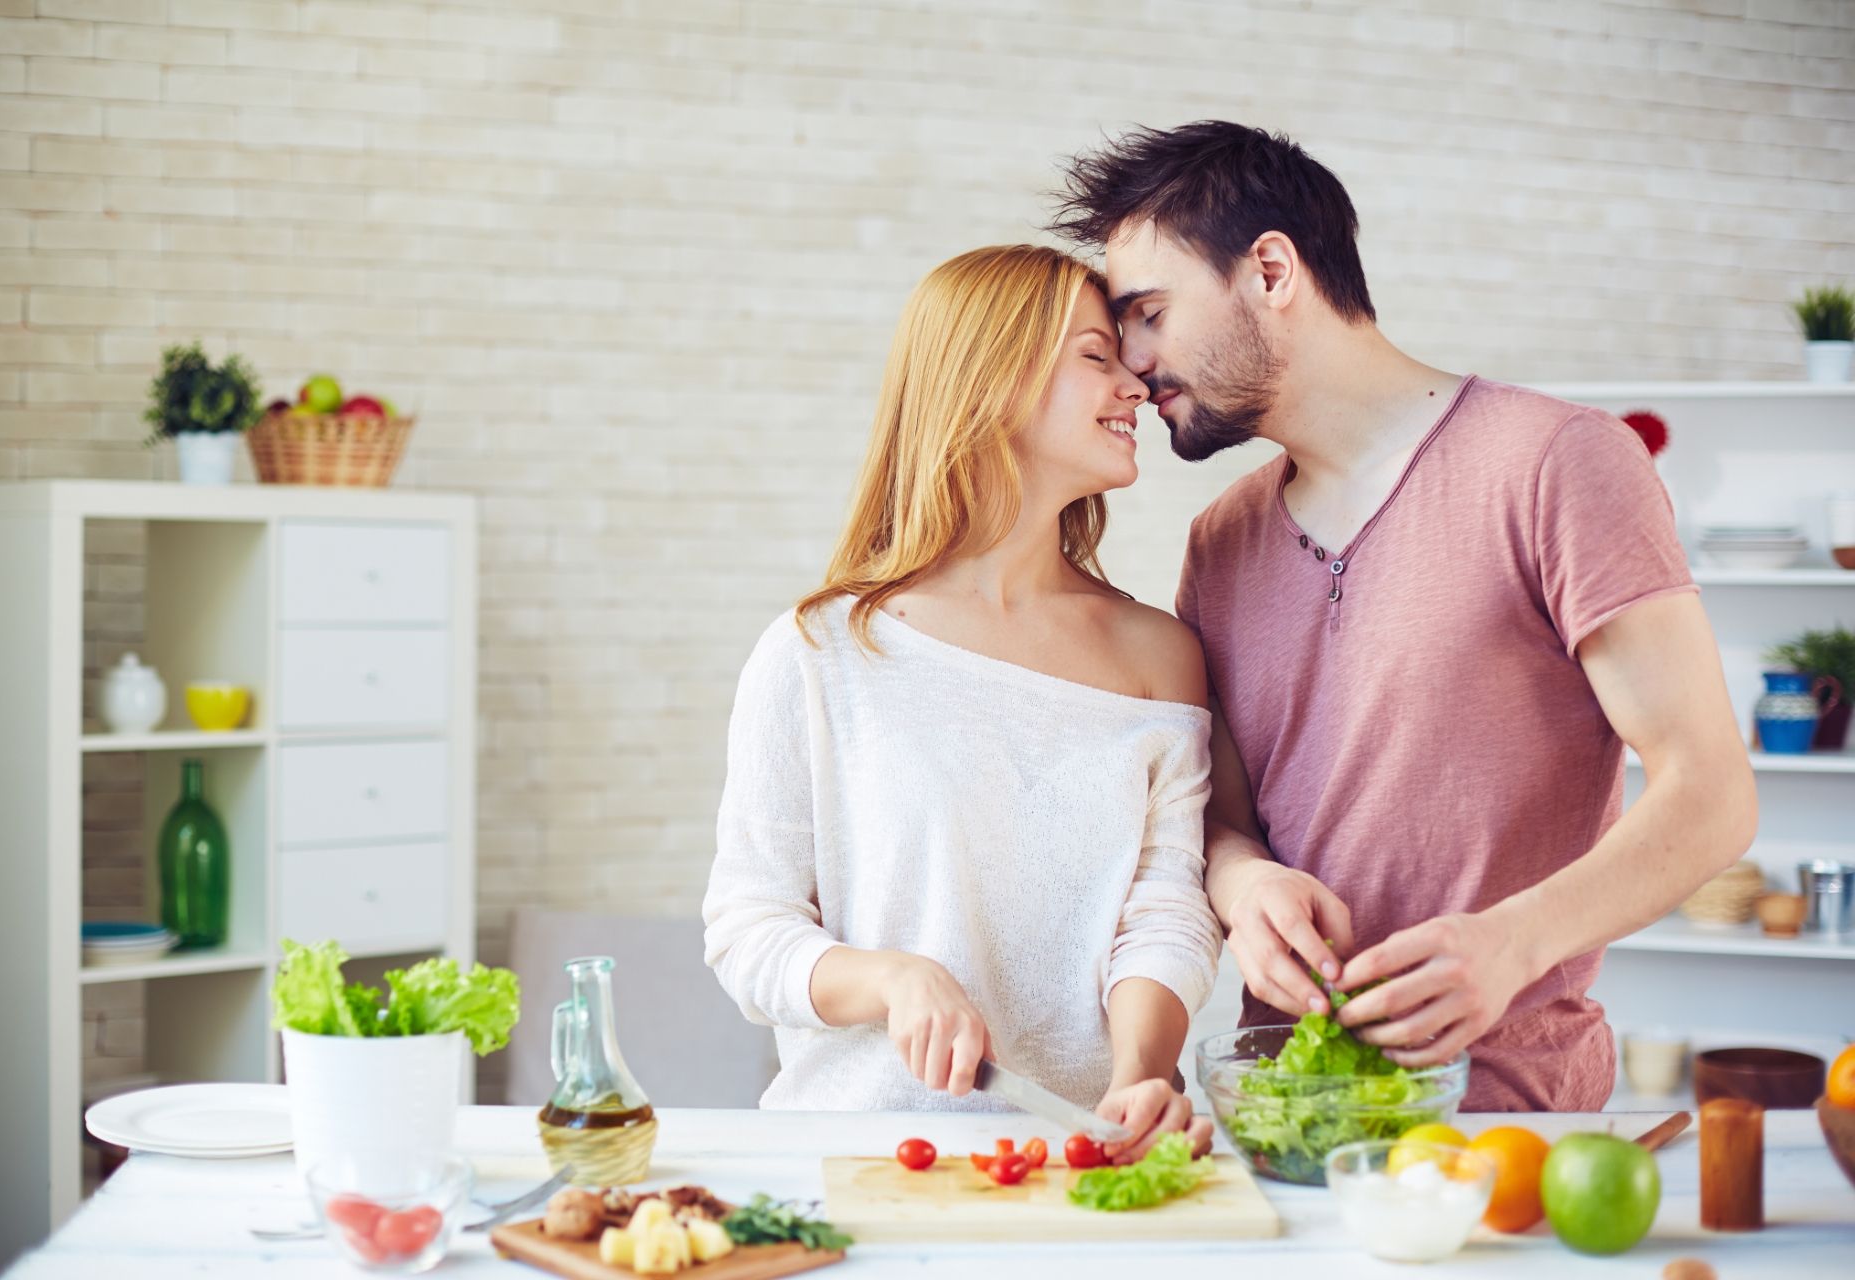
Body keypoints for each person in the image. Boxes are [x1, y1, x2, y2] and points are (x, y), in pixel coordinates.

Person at [1049, 121, 1757, 1110]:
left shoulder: (1559, 463)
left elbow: (1713, 790)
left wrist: (1512, 942)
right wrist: (1246, 887)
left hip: (1506, 1120)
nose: (1132, 362)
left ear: (1270, 271)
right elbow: (1225, 821)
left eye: (1150, 313)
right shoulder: (1222, 538)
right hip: (1286, 1109)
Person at [703, 244, 1219, 1159]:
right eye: (1097, 357)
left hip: (1082, 1164)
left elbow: (1165, 907)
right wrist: (889, 980)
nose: (1135, 388)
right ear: (991, 381)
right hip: (856, 1163)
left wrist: (1138, 1075)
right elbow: (749, 931)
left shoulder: (1159, 655)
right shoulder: (823, 651)